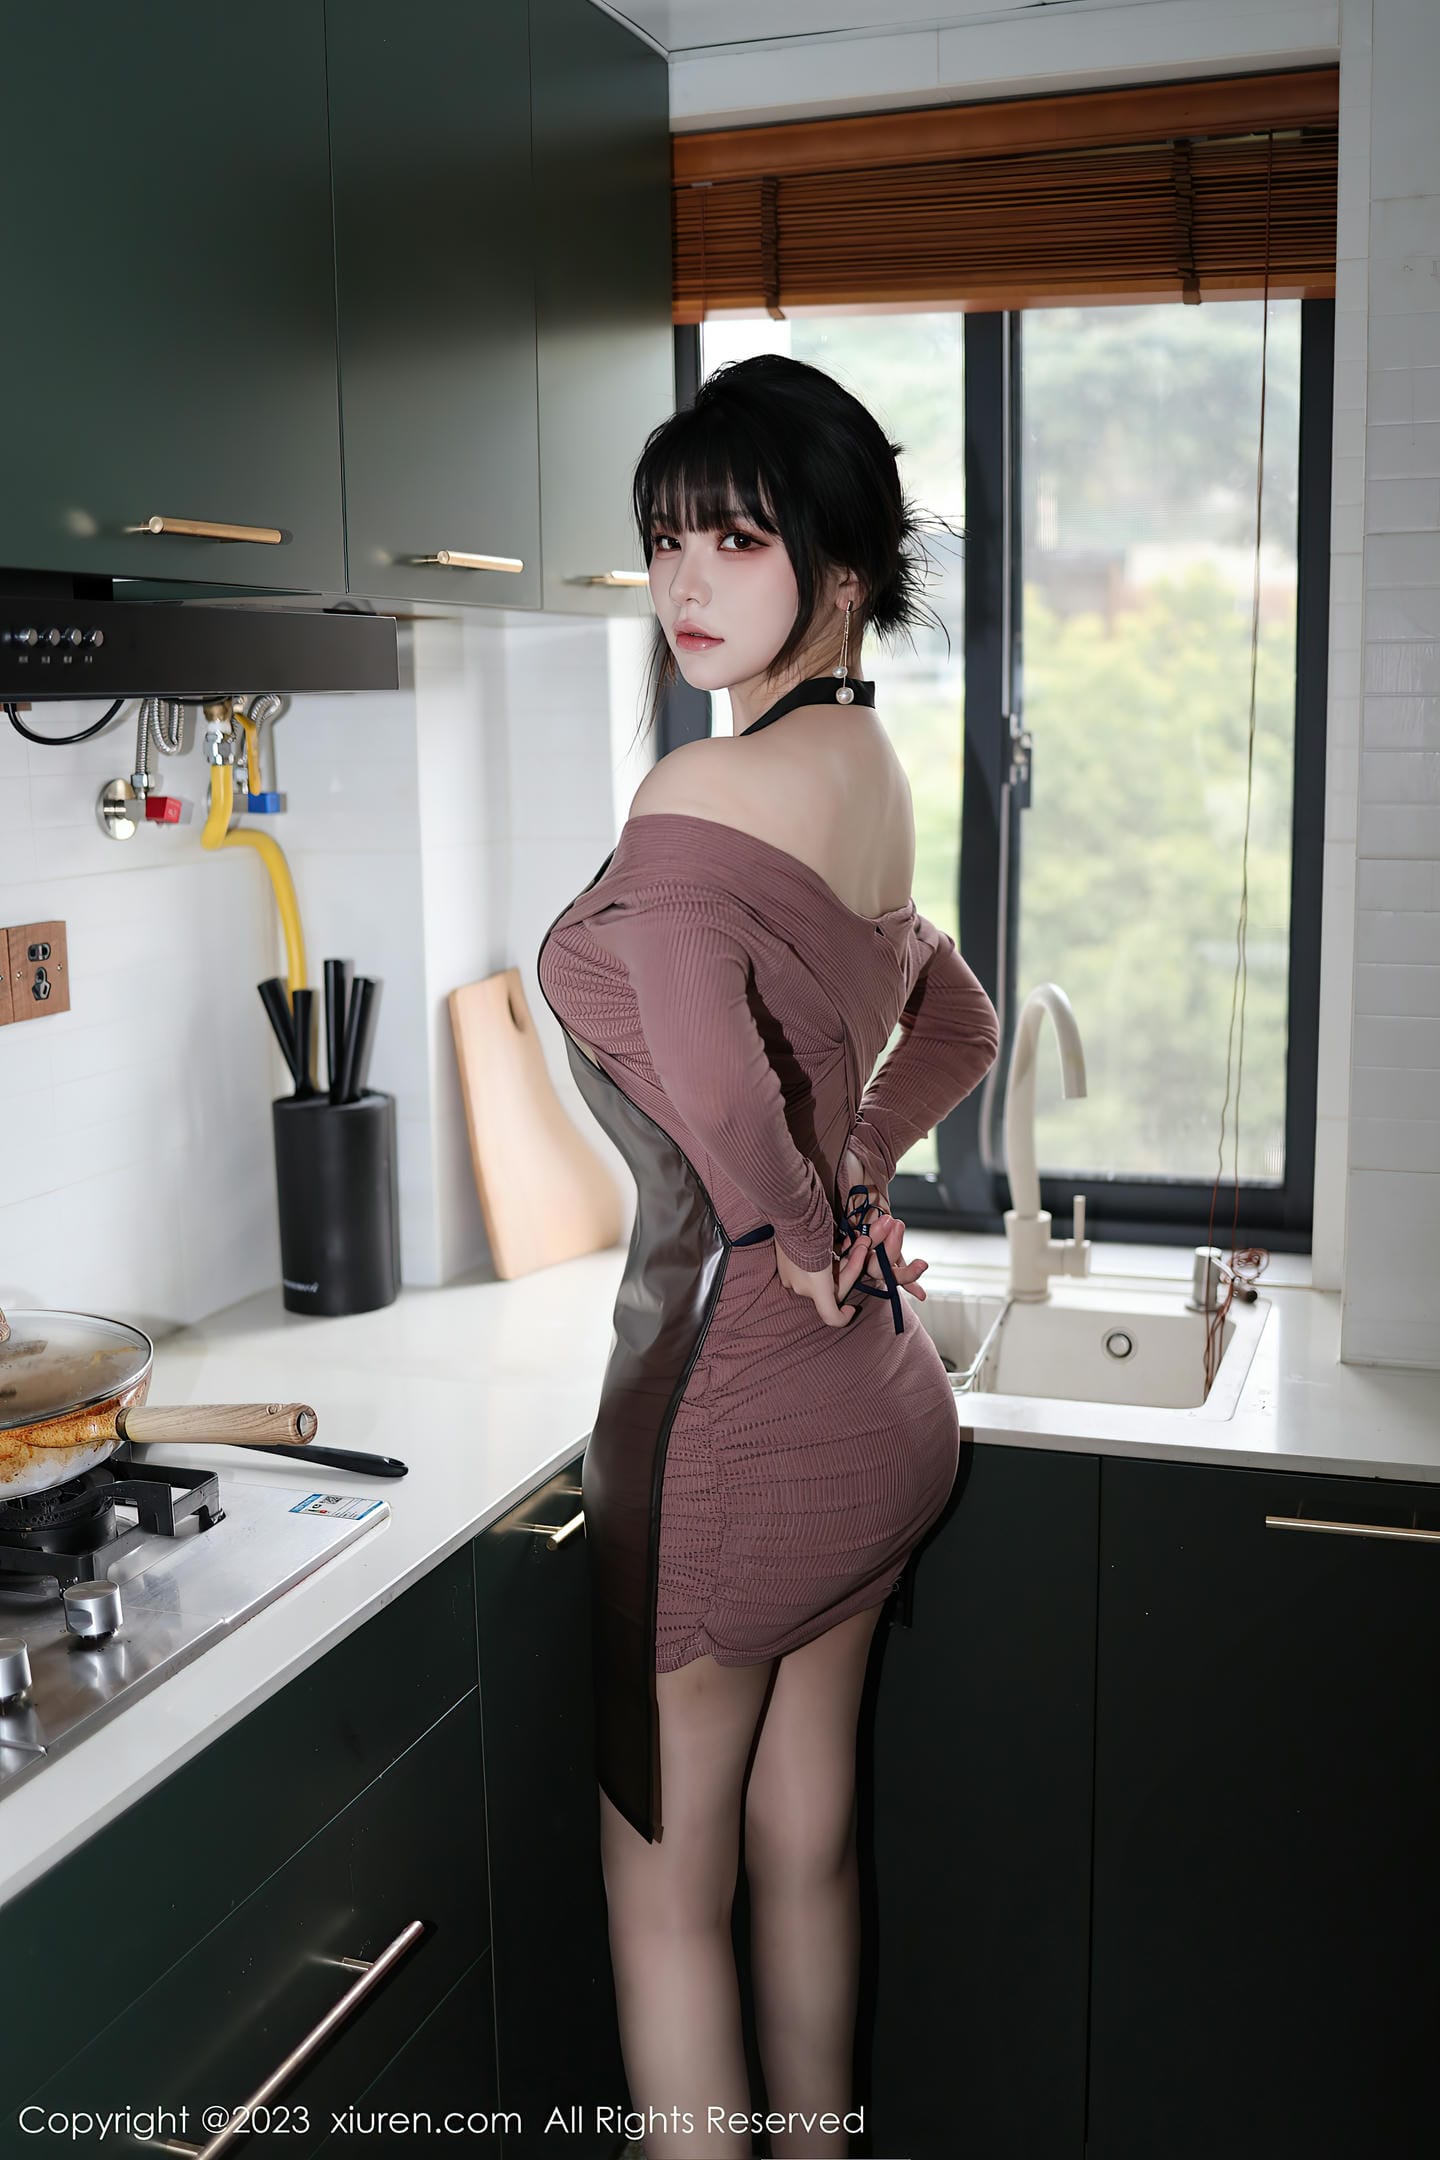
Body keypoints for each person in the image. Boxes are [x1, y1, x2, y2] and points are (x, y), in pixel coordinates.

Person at [536, 354, 1000, 2159]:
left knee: (667, 1903)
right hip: (878, 1411)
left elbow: (724, 1091)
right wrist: (856, 1169)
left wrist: (797, 1219)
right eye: (666, 539)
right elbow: (954, 1018)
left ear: (844, 571)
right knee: (808, 1850)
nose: (684, 581)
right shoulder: (864, 764)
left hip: (735, 1420)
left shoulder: (696, 795)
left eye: (736, 539)